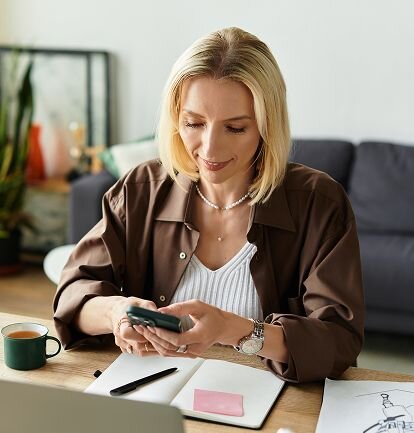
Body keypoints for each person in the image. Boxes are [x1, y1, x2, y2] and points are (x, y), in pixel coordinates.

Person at [53, 27, 364, 383]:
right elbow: (73, 294)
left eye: (235, 128)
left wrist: (238, 330)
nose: (210, 150)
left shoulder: (319, 203)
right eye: (194, 123)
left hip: (271, 406)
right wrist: (116, 313)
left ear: (267, 126)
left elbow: (339, 341)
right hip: (159, 398)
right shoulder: (141, 190)